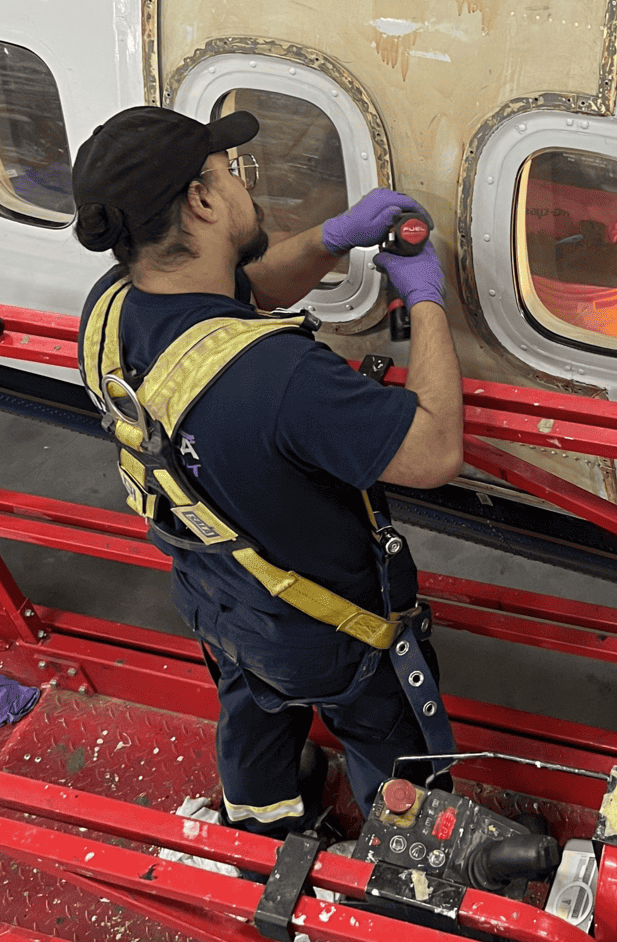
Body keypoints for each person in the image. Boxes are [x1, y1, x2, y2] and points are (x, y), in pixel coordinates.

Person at [71, 105, 464, 837]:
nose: (245, 188)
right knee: (388, 737)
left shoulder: (112, 308)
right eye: (232, 174)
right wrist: (425, 298)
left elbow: (242, 296)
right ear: (203, 200)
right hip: (330, 633)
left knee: (253, 708)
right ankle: (405, 862)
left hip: (216, 599)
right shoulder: (282, 378)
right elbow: (435, 450)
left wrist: (330, 239)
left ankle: (261, 823)